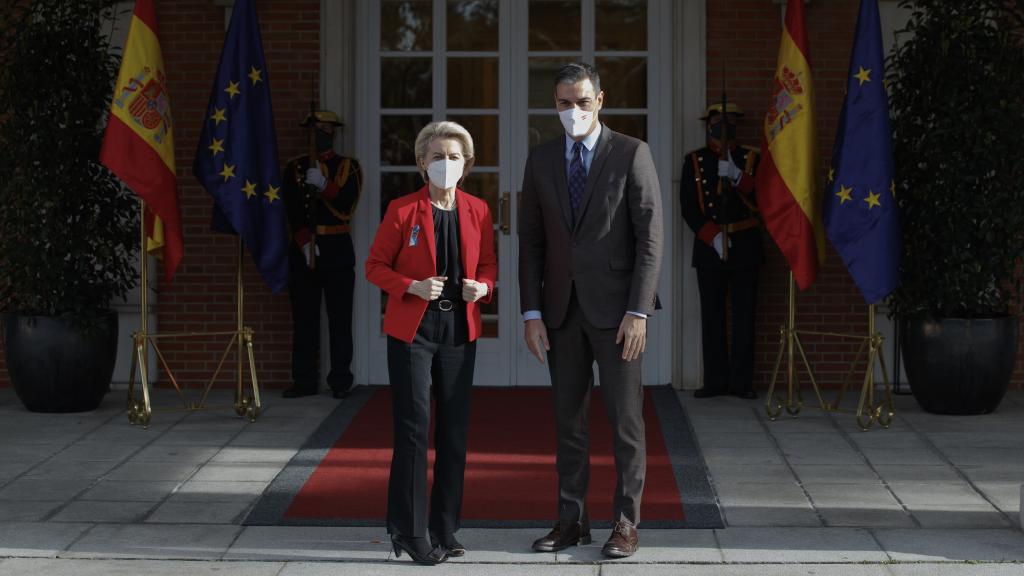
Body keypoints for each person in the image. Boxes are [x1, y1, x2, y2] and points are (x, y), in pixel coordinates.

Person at [518, 63, 663, 559]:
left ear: (600, 100)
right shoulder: (540, 160)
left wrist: (639, 311)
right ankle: (571, 519)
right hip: (561, 312)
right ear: (554, 106)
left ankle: (625, 522)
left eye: (582, 101)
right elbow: (531, 242)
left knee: (625, 423)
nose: (573, 111)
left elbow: (650, 238)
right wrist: (531, 313)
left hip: (619, 314)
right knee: (569, 423)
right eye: (564, 103)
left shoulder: (631, 153)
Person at [365, 121, 497, 565]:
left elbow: (489, 264)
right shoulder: (402, 210)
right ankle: (409, 531)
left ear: (467, 164)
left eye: (454, 157)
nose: (446, 163)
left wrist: (484, 287)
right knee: (414, 429)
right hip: (413, 331)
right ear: (422, 163)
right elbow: (374, 266)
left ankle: (444, 527)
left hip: (459, 329)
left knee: (454, 432)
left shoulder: (478, 209)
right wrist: (411, 286)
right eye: (437, 156)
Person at [680, 102, 762, 400]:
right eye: (716, 122)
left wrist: (739, 177)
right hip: (710, 248)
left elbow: (765, 199)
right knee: (712, 317)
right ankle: (715, 381)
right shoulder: (695, 160)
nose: (722, 127)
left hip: (745, 245)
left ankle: (742, 382)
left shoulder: (750, 158)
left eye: (727, 121)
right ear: (708, 126)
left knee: (744, 317)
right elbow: (688, 205)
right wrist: (712, 236)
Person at [281, 109, 361, 400]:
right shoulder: (296, 168)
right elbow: (292, 209)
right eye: (316, 129)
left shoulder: (348, 167)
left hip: (336, 249)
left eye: (326, 129)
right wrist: (304, 243)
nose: (320, 134)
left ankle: (340, 380)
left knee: (340, 319)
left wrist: (324, 185)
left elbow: (346, 204)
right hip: (305, 251)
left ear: (333, 133)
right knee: (304, 319)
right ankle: (304, 379)